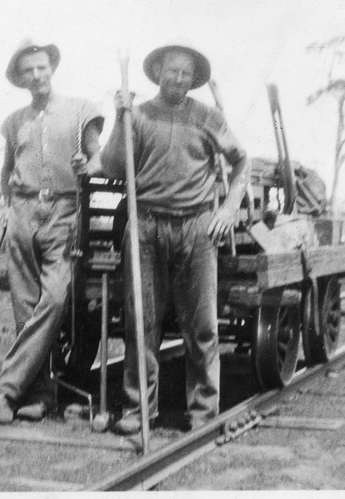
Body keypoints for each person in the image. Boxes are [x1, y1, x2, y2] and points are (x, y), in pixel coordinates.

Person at [100, 42, 250, 434]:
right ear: (158, 73)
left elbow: (241, 160)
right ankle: (138, 410)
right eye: (172, 71)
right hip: (146, 226)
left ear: (193, 78)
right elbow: (114, 166)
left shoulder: (208, 117)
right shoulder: (139, 114)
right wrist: (120, 116)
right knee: (141, 323)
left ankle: (203, 412)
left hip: (196, 229)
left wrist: (229, 208)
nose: (179, 79)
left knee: (201, 326)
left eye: (186, 73)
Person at [0, 39, 104, 424]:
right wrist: (11, 214)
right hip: (22, 213)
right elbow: (7, 172)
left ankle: (6, 390)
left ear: (51, 68)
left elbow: (101, 159)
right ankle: (38, 395)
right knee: (24, 308)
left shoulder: (81, 111)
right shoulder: (14, 122)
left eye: (41, 67)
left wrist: (88, 167)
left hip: (65, 211)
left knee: (54, 300)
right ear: (20, 78)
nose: (36, 75)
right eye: (28, 71)